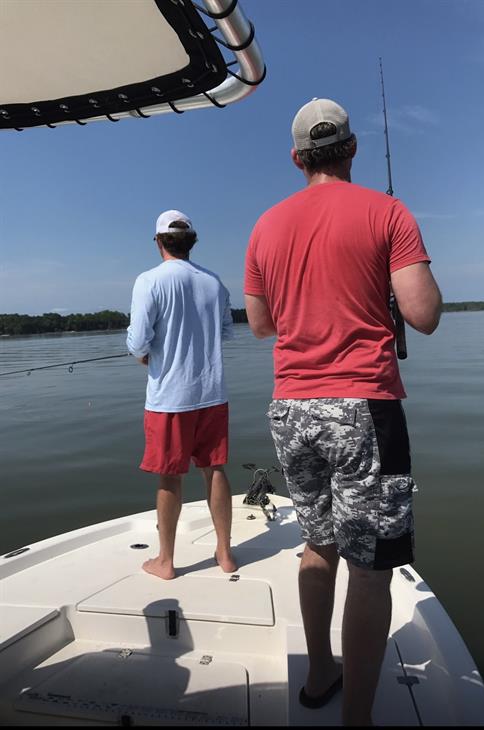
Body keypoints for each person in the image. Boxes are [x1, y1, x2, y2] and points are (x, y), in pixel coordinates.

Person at [244, 99, 442, 726]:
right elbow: (424, 315)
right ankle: (357, 715)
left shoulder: (264, 226)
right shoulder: (388, 211)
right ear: (352, 149)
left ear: (298, 158)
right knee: (372, 568)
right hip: (365, 407)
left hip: (291, 409)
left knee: (316, 544)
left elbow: (259, 326)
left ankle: (320, 671)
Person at [127, 209, 237, 580]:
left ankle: (166, 561)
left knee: (170, 477)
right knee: (215, 470)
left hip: (170, 398)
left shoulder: (149, 281)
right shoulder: (215, 282)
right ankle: (224, 553)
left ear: (158, 241)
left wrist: (145, 353)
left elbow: (137, 341)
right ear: (191, 242)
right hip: (212, 393)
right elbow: (224, 332)